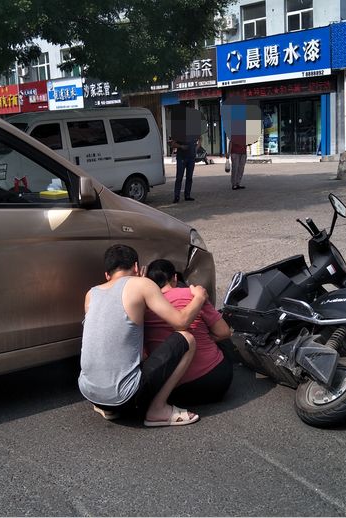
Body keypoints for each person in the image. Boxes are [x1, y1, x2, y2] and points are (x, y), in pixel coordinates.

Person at [78, 244, 208, 427]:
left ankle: (108, 408)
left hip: (89, 393)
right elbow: (181, 322)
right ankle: (157, 410)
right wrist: (199, 298)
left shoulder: (91, 294)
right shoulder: (141, 284)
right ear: (137, 267)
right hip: (124, 396)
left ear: (107, 275)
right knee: (186, 338)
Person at [143, 259, 233, 406]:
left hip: (171, 390)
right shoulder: (192, 294)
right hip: (214, 382)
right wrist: (204, 338)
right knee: (226, 343)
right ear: (175, 278)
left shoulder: (144, 305)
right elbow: (224, 332)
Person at [172, 136, 198, 203]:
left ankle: (187, 195)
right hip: (181, 158)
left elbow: (200, 139)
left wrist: (196, 149)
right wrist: (181, 146)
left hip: (191, 158)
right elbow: (173, 144)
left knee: (189, 177)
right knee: (179, 177)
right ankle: (176, 196)